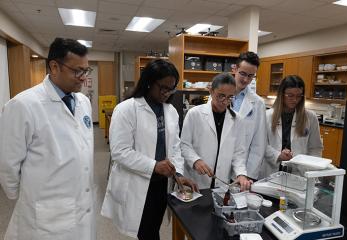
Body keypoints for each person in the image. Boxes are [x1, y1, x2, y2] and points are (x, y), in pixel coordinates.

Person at [0, 38, 95, 239]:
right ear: (54, 67)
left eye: (86, 71)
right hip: (45, 211)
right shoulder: (23, 105)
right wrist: (28, 197)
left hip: (81, 200)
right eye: (78, 71)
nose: (83, 78)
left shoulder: (83, 102)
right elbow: (8, 164)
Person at [101, 59, 198, 240]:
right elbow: (120, 151)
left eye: (171, 89)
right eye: (163, 88)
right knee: (145, 232)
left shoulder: (170, 111)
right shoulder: (127, 110)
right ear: (148, 82)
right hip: (137, 182)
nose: (167, 93)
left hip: (161, 184)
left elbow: (175, 147)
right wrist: (154, 166)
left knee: (152, 228)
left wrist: (178, 174)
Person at [181, 73, 252, 190]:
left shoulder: (237, 120)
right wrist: (195, 160)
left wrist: (241, 174)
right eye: (221, 96)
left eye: (230, 97)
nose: (225, 101)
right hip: (196, 179)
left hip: (221, 182)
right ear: (211, 91)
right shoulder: (195, 114)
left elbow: (239, 153)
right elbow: (184, 145)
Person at [259, 75, 323, 178]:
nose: (295, 100)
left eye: (299, 96)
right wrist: (278, 155)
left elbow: (315, 148)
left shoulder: (310, 117)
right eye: (290, 95)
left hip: (299, 172)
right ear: (282, 94)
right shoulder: (267, 116)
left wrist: (312, 172)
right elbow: (261, 144)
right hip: (272, 169)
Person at [231, 51, 267, 180]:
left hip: (242, 170)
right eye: (243, 74)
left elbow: (259, 143)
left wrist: (249, 175)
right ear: (234, 69)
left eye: (251, 76)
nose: (246, 79)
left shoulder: (258, 103)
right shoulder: (217, 95)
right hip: (216, 164)